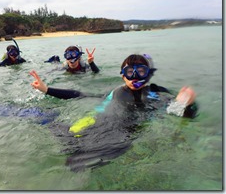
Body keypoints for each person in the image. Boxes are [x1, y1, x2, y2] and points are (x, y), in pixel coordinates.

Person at [29, 54, 198, 171]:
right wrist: (47, 89)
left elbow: (180, 113)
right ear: (122, 75)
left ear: (148, 75)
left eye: (140, 72)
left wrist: (186, 104)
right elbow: (80, 95)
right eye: (129, 72)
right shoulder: (115, 92)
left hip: (120, 137)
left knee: (75, 164)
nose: (134, 78)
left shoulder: (156, 94)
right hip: (96, 125)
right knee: (62, 138)